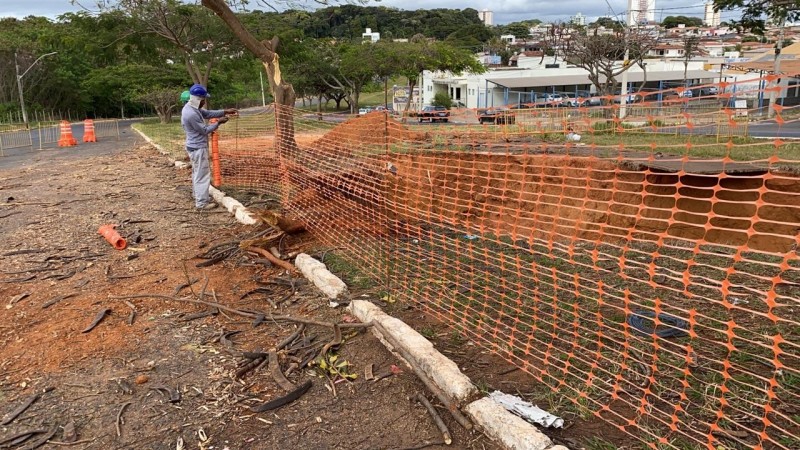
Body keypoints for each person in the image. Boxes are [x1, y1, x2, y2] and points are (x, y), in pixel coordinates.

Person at [181, 84, 237, 210]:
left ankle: (199, 196)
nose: (204, 102)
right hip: (198, 148)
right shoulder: (190, 114)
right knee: (202, 175)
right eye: (203, 99)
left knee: (197, 173)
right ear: (197, 99)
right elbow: (205, 130)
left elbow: (206, 113)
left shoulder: (191, 108)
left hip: (194, 146)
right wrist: (219, 122)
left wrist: (224, 111)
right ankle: (202, 203)